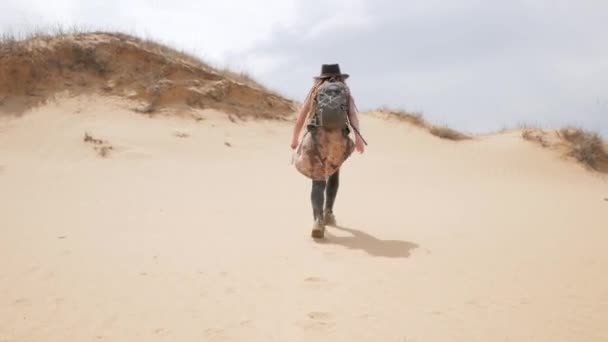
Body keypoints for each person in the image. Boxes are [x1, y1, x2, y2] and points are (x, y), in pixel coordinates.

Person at [290, 64, 365, 239]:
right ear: (340, 76)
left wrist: (294, 138)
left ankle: (318, 220)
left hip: (317, 137)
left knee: (318, 180)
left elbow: (301, 116)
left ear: (321, 77)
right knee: (333, 173)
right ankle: (329, 212)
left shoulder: (316, 89)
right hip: (337, 139)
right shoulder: (344, 90)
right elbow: (352, 116)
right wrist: (358, 138)